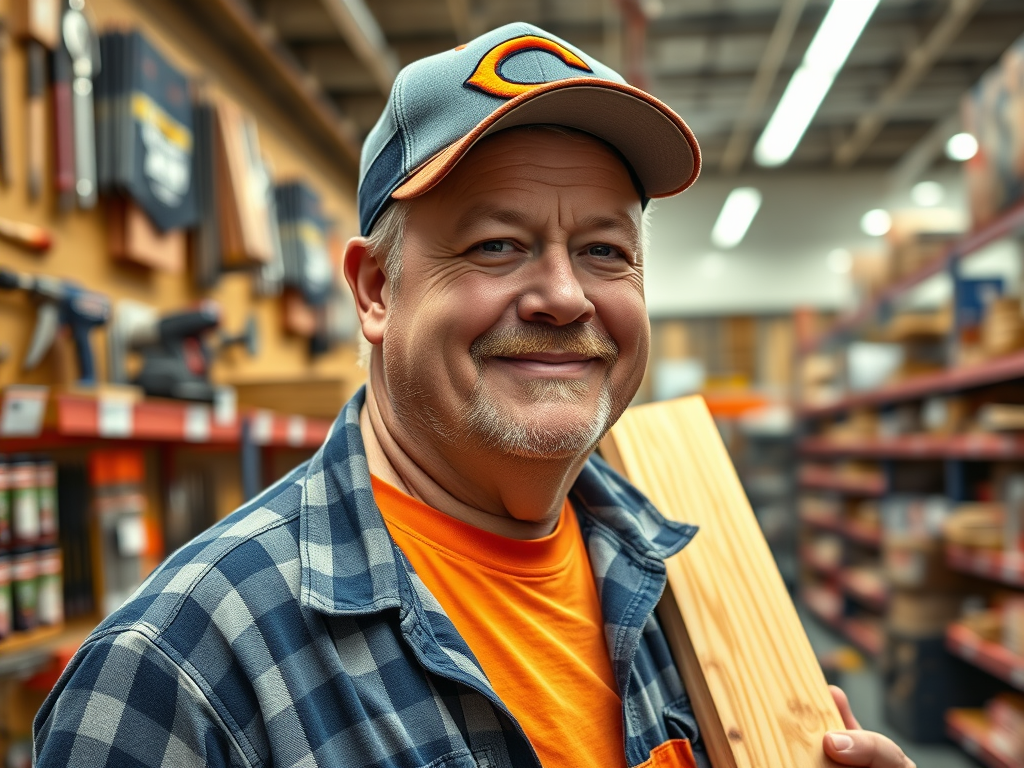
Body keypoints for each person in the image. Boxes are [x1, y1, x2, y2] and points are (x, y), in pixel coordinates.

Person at [34, 22, 915, 768]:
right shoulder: (178, 673)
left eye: (606, 251)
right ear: (377, 289)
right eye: (498, 245)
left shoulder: (689, 581)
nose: (566, 297)